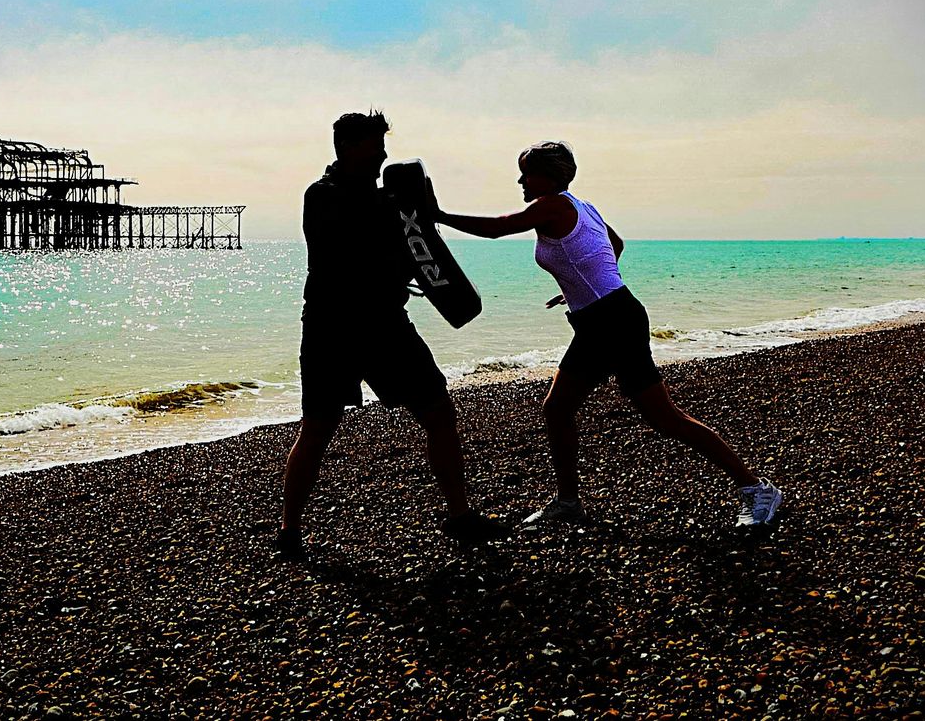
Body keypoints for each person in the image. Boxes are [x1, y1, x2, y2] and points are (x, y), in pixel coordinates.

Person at [432, 140, 783, 528]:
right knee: (558, 408)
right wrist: (580, 283)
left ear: (548, 175)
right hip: (604, 318)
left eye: (526, 172)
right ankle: (567, 503)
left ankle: (756, 488)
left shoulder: (553, 205)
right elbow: (615, 243)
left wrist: (439, 215)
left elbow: (499, 228)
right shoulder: (584, 206)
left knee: (663, 417)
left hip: (613, 322)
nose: (520, 180)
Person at [277, 112, 510, 559]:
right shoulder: (322, 196)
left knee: (440, 412)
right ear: (347, 146)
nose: (383, 153)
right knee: (318, 428)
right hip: (332, 330)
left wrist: (422, 214)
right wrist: (404, 210)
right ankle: (289, 532)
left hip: (387, 326)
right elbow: (347, 250)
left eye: (384, 145)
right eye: (374, 145)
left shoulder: (391, 202)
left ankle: (460, 517)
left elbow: (415, 252)